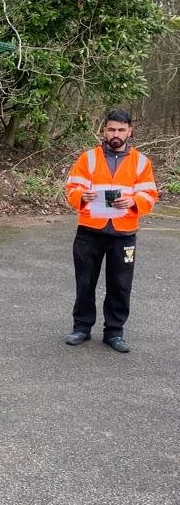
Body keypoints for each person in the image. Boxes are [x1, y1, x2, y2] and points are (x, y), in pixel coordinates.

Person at [64, 108, 158, 353]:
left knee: (120, 284)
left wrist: (134, 201)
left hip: (124, 233)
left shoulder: (141, 162)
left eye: (121, 130)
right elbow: (72, 187)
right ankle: (82, 327)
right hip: (90, 230)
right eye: (111, 129)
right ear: (104, 130)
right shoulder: (88, 158)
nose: (115, 134)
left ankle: (114, 332)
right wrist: (82, 195)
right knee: (85, 281)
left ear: (129, 132)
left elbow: (150, 193)